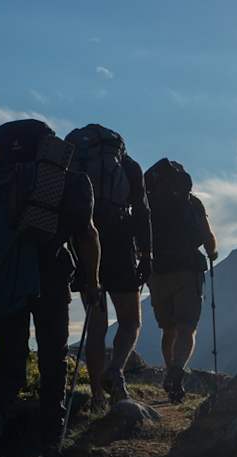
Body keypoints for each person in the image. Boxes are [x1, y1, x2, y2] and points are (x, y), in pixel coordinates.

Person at [0, 119, 101, 457]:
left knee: (9, 363)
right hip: (51, 279)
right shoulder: (67, 183)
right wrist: (91, 281)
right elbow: (87, 236)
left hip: (4, 279)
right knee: (53, 359)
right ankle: (51, 439)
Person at [64, 124, 153, 407]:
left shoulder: (75, 163)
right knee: (130, 321)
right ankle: (115, 372)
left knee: (96, 325)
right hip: (119, 241)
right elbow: (141, 210)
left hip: (83, 240)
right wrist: (147, 253)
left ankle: (97, 397)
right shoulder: (128, 165)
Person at [143, 159, 218, 402]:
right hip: (188, 269)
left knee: (168, 329)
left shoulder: (149, 200)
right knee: (187, 326)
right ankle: (176, 372)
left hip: (157, 271)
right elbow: (208, 237)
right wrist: (212, 252)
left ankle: (170, 374)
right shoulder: (192, 202)